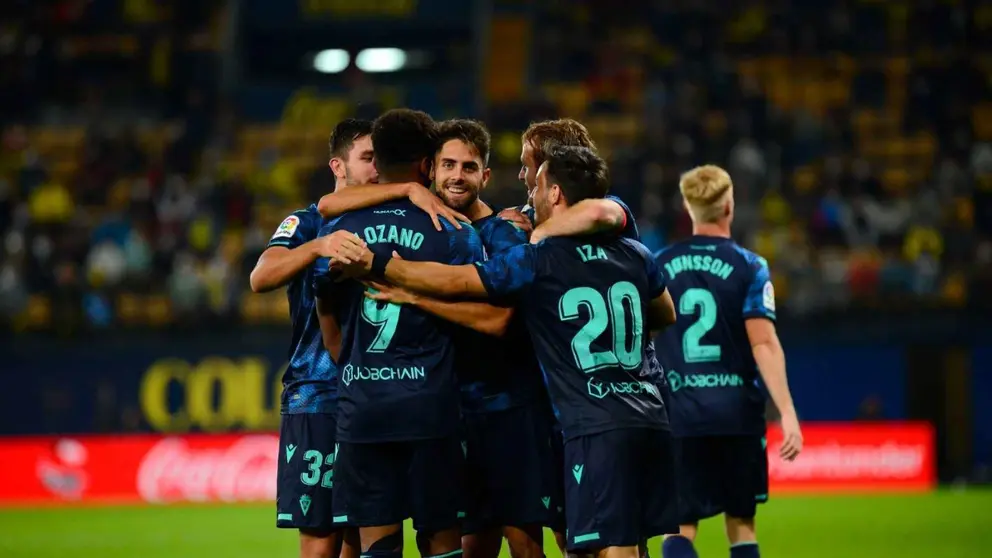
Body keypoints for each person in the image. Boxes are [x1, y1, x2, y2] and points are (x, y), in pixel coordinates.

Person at [332, 146, 681, 558]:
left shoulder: (537, 259)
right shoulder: (635, 252)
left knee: (613, 547)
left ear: (554, 194)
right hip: (651, 415)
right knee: (620, 543)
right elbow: (664, 313)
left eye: (536, 184)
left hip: (595, 425)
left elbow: (458, 281)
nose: (529, 193)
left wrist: (379, 264)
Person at [311, 108, 486, 558]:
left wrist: (349, 363)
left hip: (363, 408)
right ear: (427, 165)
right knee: (441, 538)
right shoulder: (453, 230)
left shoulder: (339, 228)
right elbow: (478, 312)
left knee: (379, 544)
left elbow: (324, 307)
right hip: (431, 406)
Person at [498, 117, 664, 557]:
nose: (520, 176)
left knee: (612, 537)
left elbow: (606, 210)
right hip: (562, 403)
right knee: (581, 535)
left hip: (599, 402)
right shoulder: (526, 225)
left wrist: (539, 233)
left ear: (550, 174)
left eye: (527, 166)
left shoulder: (605, 215)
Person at [653, 165, 803, 558]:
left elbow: (645, 341)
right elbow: (764, 344)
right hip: (736, 416)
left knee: (681, 527)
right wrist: (786, 411)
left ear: (689, 207)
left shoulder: (657, 264)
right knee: (741, 524)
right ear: (729, 205)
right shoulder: (750, 266)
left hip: (679, 415)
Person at [249, 118, 377, 558]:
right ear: (337, 166)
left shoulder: (388, 226)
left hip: (376, 392)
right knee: (321, 542)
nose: (377, 168)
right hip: (318, 394)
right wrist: (317, 248)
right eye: (367, 158)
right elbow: (261, 275)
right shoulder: (305, 222)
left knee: (362, 538)